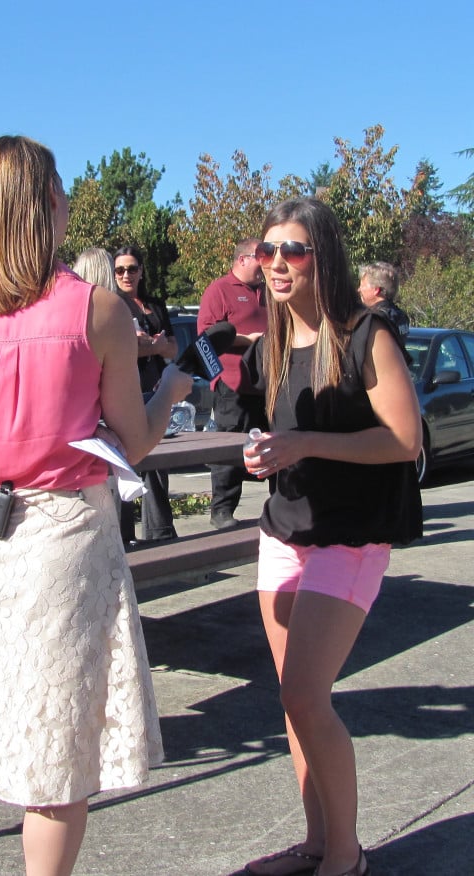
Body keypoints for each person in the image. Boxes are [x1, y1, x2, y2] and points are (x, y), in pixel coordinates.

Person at [0, 135, 191, 876]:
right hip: (62, 529)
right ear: (45, 203)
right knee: (55, 738)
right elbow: (133, 442)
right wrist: (169, 392)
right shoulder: (96, 309)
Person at [240, 198, 422, 876]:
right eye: (267, 251)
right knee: (294, 701)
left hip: (350, 537)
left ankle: (346, 857)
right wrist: (261, 454)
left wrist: (308, 441)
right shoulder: (275, 343)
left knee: (305, 695)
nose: (277, 263)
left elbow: (405, 439)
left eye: (293, 250)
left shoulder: (365, 333)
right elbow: (276, 435)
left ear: (325, 257)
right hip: (285, 530)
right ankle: (316, 843)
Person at [198, 238, 269, 530]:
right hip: (233, 387)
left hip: (269, 385)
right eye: (260, 257)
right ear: (242, 259)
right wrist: (246, 341)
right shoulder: (220, 290)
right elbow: (205, 338)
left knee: (274, 445)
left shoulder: (269, 291)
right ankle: (222, 512)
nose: (266, 264)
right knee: (229, 449)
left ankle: (282, 505)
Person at [113, 245, 179, 544]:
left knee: (157, 461)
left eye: (132, 269)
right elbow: (127, 350)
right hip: (126, 390)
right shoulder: (112, 305)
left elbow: (174, 348)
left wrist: (148, 346)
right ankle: (123, 535)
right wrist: (154, 346)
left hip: (155, 389)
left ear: (141, 271)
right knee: (125, 463)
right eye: (120, 270)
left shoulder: (155, 304)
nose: (126, 275)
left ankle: (160, 531)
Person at [358, 261, 410, 339]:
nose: (359, 290)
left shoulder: (376, 320)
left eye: (362, 285)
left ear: (376, 290)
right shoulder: (401, 317)